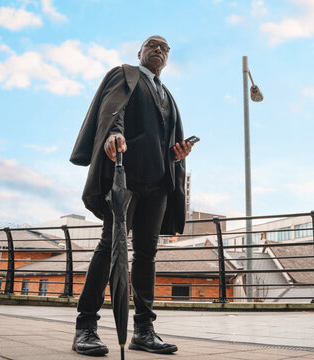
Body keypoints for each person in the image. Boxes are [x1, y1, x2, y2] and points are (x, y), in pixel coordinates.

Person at [69, 35, 193, 356]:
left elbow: (163, 137)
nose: (160, 50)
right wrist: (113, 133)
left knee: (147, 255)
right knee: (111, 244)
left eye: (166, 48)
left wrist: (178, 153)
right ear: (140, 51)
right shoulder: (126, 74)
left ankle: (144, 330)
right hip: (127, 175)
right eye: (153, 45)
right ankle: (86, 327)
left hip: (159, 182)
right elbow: (114, 110)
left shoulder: (167, 95)